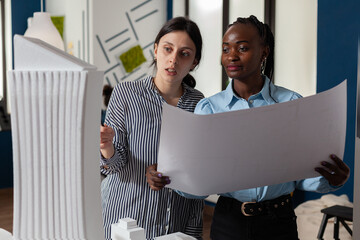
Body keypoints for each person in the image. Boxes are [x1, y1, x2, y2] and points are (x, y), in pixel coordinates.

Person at [146, 15, 350, 240]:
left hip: (279, 222)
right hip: (228, 223)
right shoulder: (208, 108)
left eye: (242, 48)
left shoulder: (291, 103)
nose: (231, 56)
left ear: (264, 52)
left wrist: (330, 179)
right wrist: (169, 177)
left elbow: (301, 174)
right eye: (225, 49)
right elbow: (199, 182)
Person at [100, 16, 205, 240]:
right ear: (156, 50)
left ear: (194, 62)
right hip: (127, 219)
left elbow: (199, 168)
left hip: (177, 221)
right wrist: (107, 146)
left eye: (184, 54)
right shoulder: (126, 93)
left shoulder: (199, 103)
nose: (173, 60)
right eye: (168, 49)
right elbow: (114, 166)